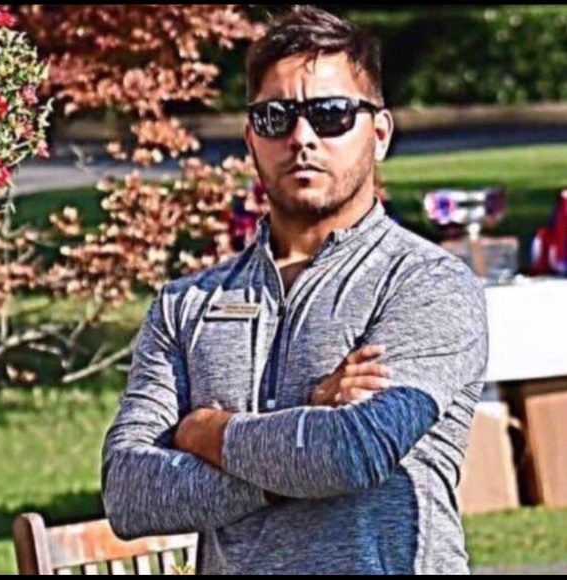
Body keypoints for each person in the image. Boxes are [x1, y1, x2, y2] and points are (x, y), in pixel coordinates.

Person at [101, 6, 488, 575]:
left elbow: (353, 451)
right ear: (250, 138)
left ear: (379, 134)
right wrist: (303, 429)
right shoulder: (186, 304)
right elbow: (129, 493)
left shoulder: (427, 284)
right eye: (275, 117)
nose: (301, 138)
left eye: (331, 115)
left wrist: (203, 431)